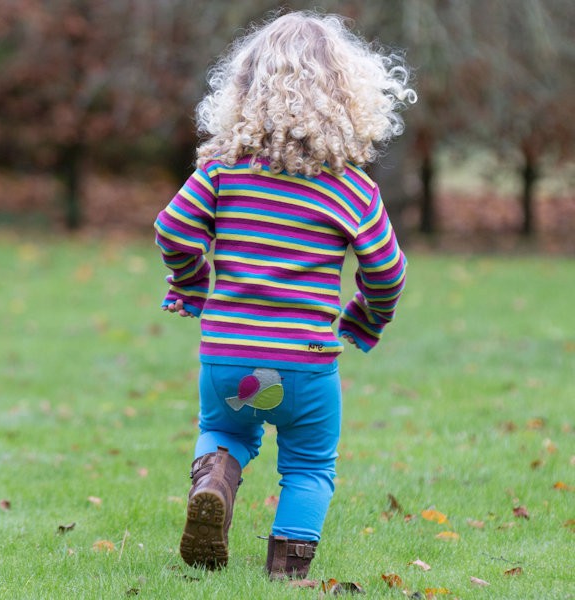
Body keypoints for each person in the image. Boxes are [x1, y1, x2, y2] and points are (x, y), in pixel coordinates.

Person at [154, 10, 416, 579]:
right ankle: (286, 573)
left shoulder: (224, 171)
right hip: (303, 368)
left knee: (225, 429)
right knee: (309, 465)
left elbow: (173, 228)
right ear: (349, 96)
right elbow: (388, 271)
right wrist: (365, 317)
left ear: (244, 91)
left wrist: (191, 283)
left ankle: (217, 481)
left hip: (230, 362)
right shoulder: (351, 188)